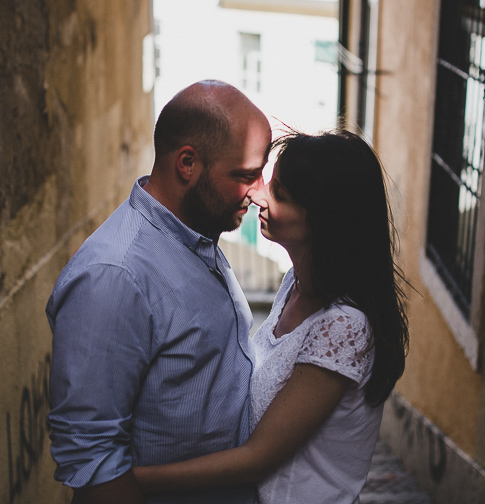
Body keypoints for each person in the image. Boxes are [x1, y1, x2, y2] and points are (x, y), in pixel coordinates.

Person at [134, 129, 410, 504]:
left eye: (278, 193)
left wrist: (131, 480)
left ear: (322, 219)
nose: (258, 195)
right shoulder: (296, 282)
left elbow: (257, 459)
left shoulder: (343, 327)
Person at [46, 80, 272, 504]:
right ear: (187, 163)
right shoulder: (114, 276)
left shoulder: (195, 234)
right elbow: (93, 459)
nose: (260, 193)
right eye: (245, 175)